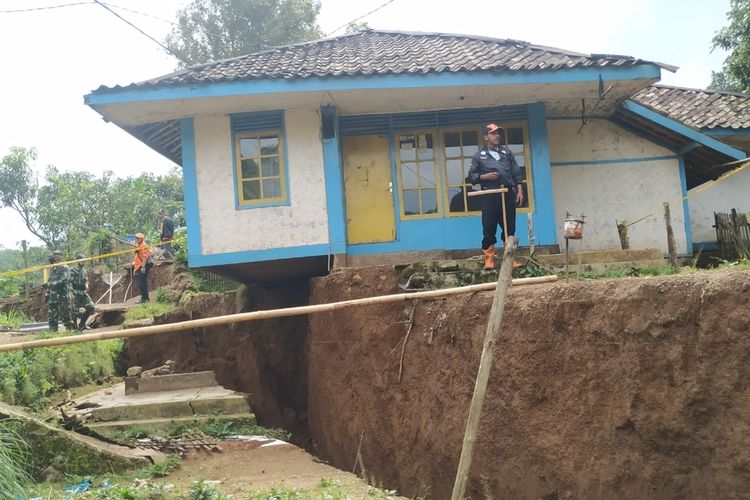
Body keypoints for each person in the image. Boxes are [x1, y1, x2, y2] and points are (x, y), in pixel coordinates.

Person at [467, 123, 524, 270]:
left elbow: (516, 173)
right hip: (490, 195)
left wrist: (519, 190)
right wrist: (486, 176)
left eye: (498, 133)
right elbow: (472, 177)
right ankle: (489, 259)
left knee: (509, 227)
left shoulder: (507, 153)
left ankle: (510, 259)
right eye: (493, 133)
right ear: (486, 137)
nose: (497, 136)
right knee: (489, 226)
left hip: (507, 193)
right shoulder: (479, 155)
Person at [46, 250, 75, 332]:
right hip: (53, 295)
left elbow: (64, 280)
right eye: (54, 255)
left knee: (65, 312)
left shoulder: (64, 267)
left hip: (63, 294)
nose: (54, 257)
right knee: (52, 313)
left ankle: (70, 329)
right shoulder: (53, 268)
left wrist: (52, 284)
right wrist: (47, 292)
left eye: (56, 255)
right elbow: (50, 280)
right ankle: (53, 330)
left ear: (60, 256)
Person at [70, 253, 95, 331]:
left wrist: (86, 284)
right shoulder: (72, 270)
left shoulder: (84, 270)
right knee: (74, 311)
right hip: (75, 292)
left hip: (82, 292)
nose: (83, 262)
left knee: (90, 307)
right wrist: (71, 292)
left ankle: (82, 324)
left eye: (84, 261)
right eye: (82, 261)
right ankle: (75, 328)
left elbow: (86, 280)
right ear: (78, 261)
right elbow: (69, 282)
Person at [133, 233, 152, 303]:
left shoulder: (144, 246)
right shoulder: (138, 245)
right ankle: (143, 299)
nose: (137, 239)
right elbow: (137, 256)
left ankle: (145, 299)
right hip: (138, 266)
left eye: (138, 238)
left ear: (142, 239)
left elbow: (145, 258)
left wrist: (143, 267)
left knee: (142, 284)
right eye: (136, 238)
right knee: (141, 284)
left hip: (142, 266)